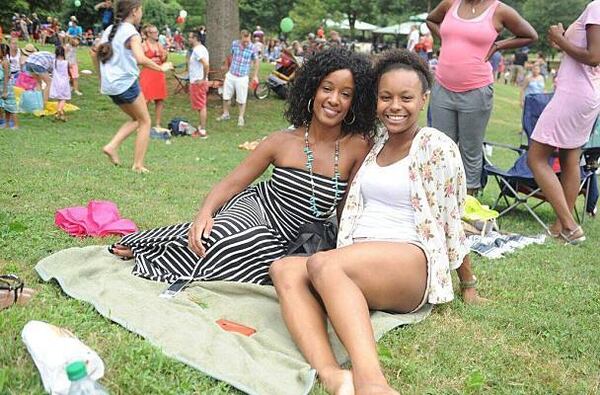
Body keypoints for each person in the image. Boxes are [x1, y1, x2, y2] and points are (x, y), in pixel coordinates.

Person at [270, 49, 482, 395]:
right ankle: (333, 375)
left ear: (424, 99)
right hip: (359, 261)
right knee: (284, 269)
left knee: (324, 265)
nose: (394, 106)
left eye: (406, 98)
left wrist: (468, 285)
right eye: (386, 97)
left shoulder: (434, 146)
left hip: (410, 261)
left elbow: (450, 220)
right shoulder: (375, 143)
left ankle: (372, 382)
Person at [108, 47, 376, 287]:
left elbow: (347, 208)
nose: (334, 100)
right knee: (222, 234)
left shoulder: (357, 146)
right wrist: (204, 212)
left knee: (254, 259)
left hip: (294, 236)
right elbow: (233, 183)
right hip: (257, 209)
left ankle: (163, 246)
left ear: (355, 101)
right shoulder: (281, 141)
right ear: (312, 90)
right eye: (327, 88)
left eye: (345, 94)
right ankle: (149, 246)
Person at [426, 0, 537, 195]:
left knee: (470, 149)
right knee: (441, 147)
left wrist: (499, 45)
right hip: (442, 87)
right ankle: (440, 197)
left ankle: (469, 200)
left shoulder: (500, 10)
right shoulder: (449, 4)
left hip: (476, 90)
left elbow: (530, 35)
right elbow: (431, 20)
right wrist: (446, 39)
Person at [528, 1, 600, 244]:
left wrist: (560, 39)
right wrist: (563, 40)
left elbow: (593, 56)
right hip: (588, 94)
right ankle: (561, 226)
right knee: (570, 158)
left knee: (536, 157)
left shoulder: (597, 7)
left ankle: (569, 225)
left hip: (574, 94)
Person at [91, 0, 172, 173]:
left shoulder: (108, 31)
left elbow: (94, 54)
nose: (141, 13)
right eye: (141, 10)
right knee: (145, 121)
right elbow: (141, 58)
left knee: (137, 119)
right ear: (134, 11)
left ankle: (112, 146)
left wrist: (101, 78)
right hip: (126, 83)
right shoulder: (131, 32)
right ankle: (138, 165)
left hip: (111, 86)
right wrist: (161, 68)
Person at [216, 30, 259, 128]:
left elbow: (256, 61)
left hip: (242, 77)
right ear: (241, 37)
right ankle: (226, 114)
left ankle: (241, 117)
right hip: (231, 74)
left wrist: (255, 75)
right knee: (226, 96)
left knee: (241, 98)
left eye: (248, 40)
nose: (246, 42)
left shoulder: (253, 48)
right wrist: (226, 67)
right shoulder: (234, 44)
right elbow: (230, 56)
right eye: (244, 41)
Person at [139, 24, 168, 130]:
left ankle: (158, 124)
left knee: (160, 99)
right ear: (148, 34)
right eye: (154, 32)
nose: (157, 34)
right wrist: (150, 61)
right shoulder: (143, 45)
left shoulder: (159, 45)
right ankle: (142, 123)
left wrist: (165, 56)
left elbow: (163, 60)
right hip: (148, 73)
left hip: (159, 73)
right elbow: (140, 60)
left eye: (157, 32)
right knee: (145, 99)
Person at [188, 29, 209, 138]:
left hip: (198, 82)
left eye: (190, 37)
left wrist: (203, 78)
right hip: (197, 81)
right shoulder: (200, 49)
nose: (189, 39)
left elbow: (206, 65)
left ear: (195, 38)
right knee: (200, 105)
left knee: (201, 106)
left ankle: (202, 130)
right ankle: (201, 126)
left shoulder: (197, 51)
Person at [49, 45, 71, 122]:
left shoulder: (54, 62)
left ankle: (59, 115)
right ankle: (59, 110)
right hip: (64, 82)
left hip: (56, 82)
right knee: (63, 98)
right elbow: (69, 71)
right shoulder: (66, 62)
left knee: (59, 98)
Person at [0, 44, 18, 129]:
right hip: (2, 87)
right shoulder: (1, 61)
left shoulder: (5, 62)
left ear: (3, 52)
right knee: (6, 107)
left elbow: (7, 76)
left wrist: (5, 90)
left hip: (6, 87)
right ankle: (7, 124)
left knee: (11, 106)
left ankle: (16, 125)